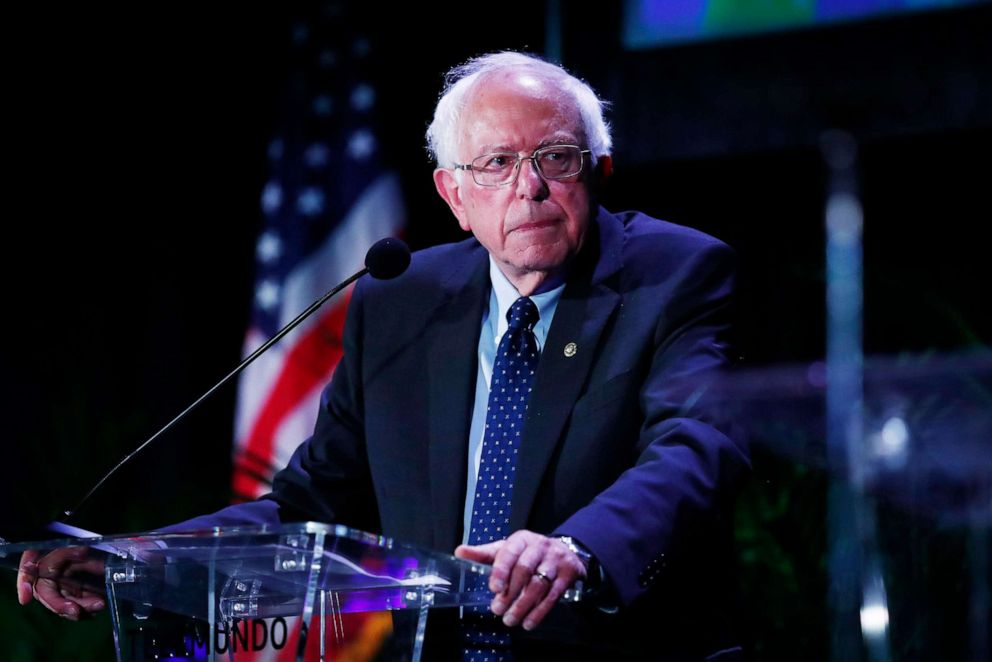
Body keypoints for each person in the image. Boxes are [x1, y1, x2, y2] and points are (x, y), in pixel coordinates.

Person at [18, 51, 749, 660]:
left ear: (599, 171)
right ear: (454, 195)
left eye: (555, 156)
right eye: (497, 162)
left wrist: (576, 549)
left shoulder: (674, 273)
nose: (529, 187)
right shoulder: (400, 299)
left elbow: (695, 446)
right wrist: (139, 559)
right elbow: (310, 500)